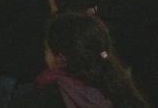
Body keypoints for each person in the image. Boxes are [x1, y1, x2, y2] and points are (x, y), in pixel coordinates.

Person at [10, 13, 147, 107]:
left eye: (47, 49)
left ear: (60, 58)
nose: (45, 54)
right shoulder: (123, 92)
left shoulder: (35, 101)